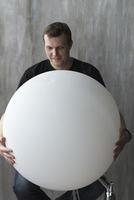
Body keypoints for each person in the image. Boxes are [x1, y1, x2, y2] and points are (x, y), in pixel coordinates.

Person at [0, 22, 132, 200]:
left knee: (94, 187)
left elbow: (108, 109)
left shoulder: (88, 73)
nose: (54, 54)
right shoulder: (33, 75)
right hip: (38, 148)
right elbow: (12, 113)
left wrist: (124, 133)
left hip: (80, 150)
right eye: (49, 48)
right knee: (22, 187)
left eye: (60, 47)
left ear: (70, 44)